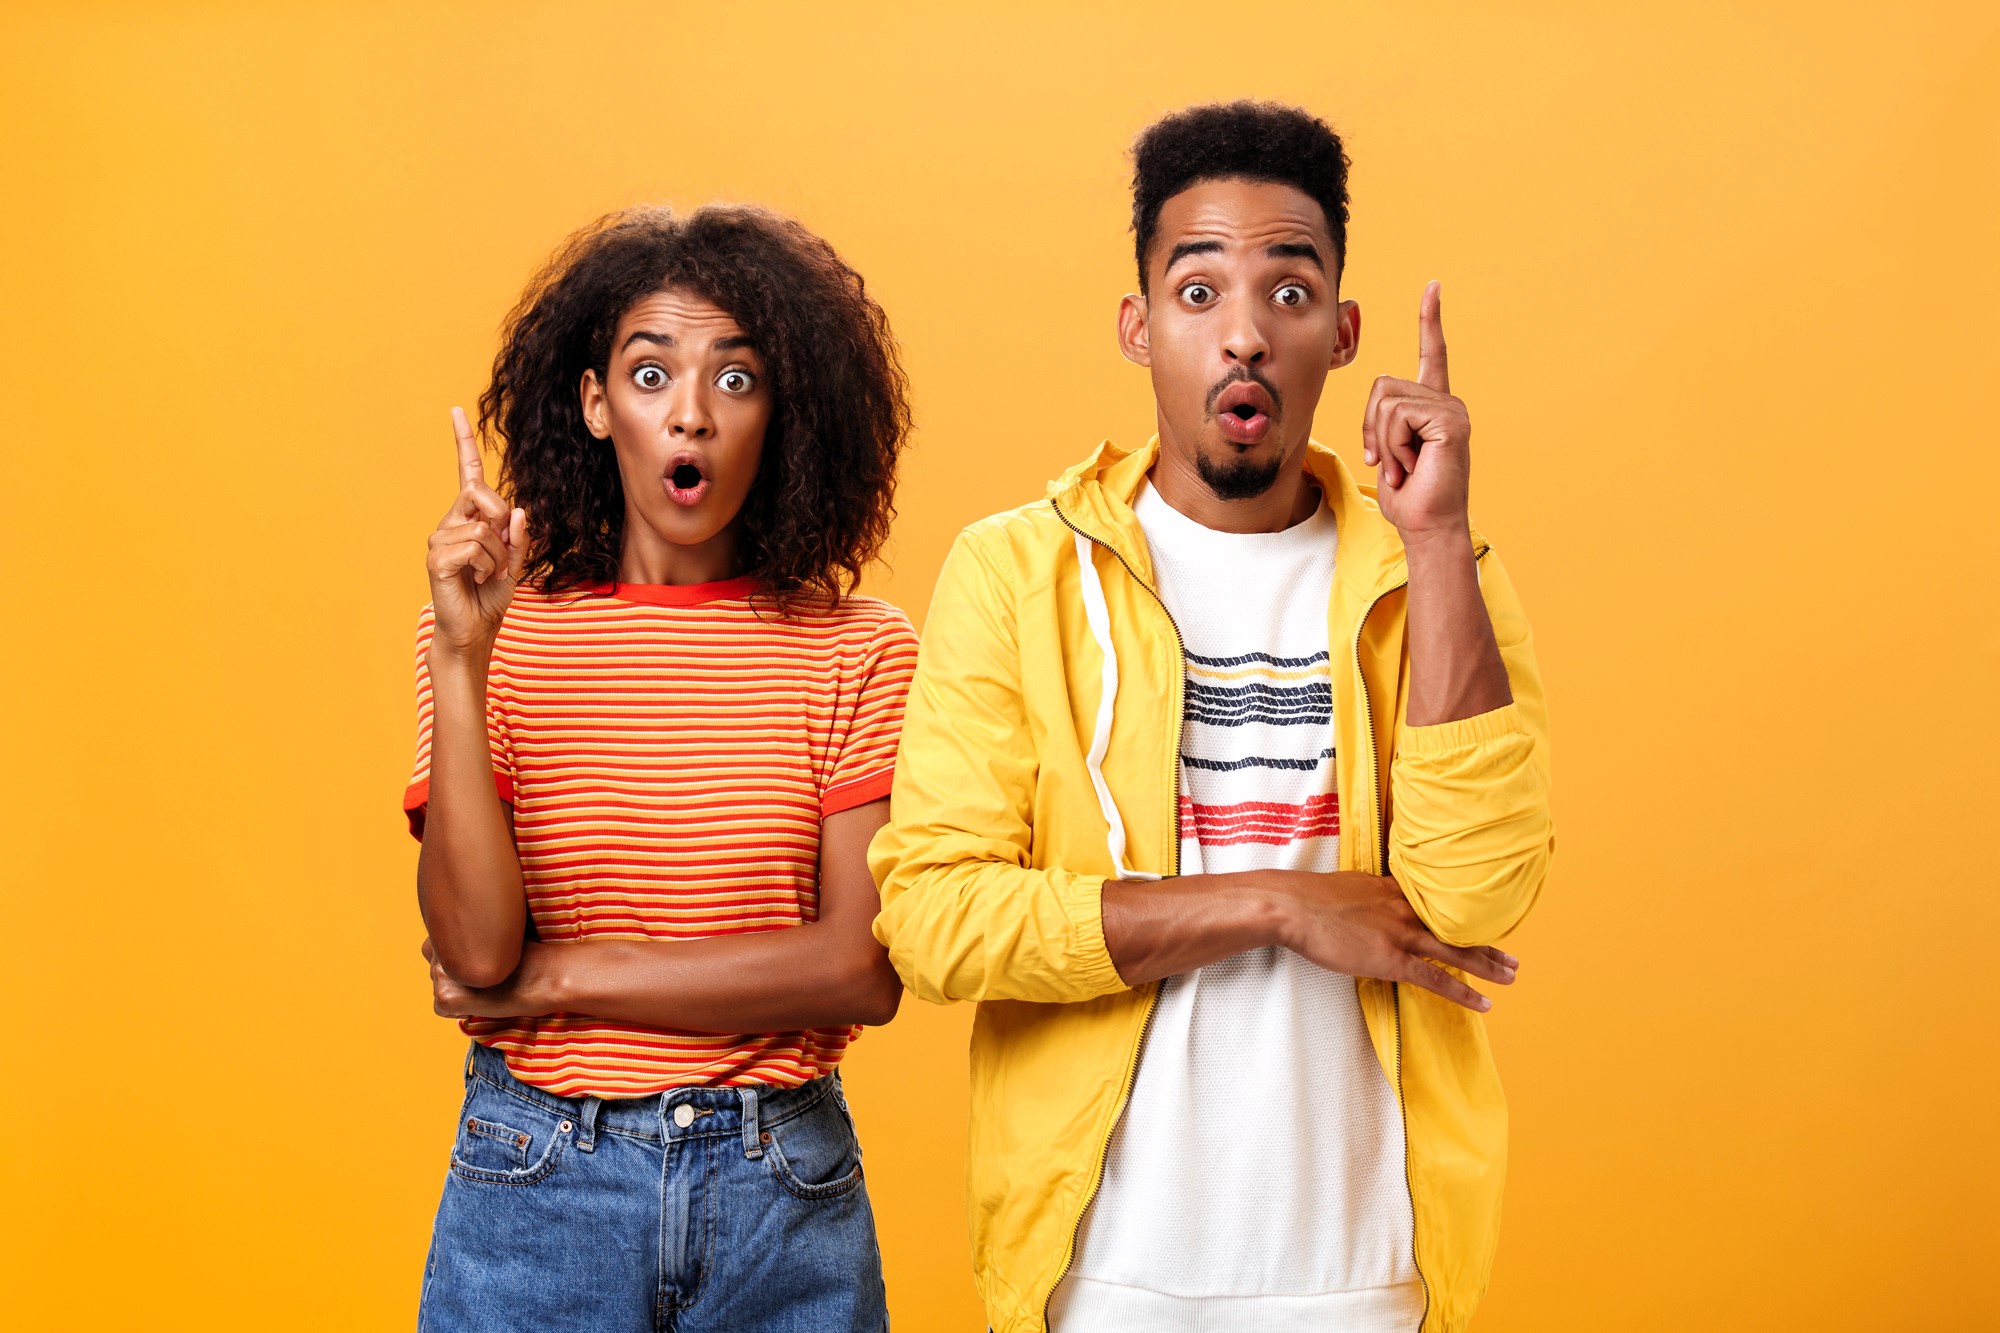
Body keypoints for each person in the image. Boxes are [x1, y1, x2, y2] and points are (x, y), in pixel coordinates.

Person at [869, 101, 1554, 1333]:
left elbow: (1475, 900)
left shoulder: (1429, 572)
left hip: (1369, 1272)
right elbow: (932, 917)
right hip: (1104, 1273)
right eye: (1197, 294)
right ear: (1137, 326)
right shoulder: (1015, 574)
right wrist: (1273, 904)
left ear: (1340, 334)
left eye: (1286, 295)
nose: (1242, 335)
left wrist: (1439, 537)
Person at [404, 204, 916, 1332]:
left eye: (736, 382)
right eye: (649, 374)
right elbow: (478, 949)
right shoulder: (503, 641)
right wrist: (459, 657)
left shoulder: (858, 647)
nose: (690, 413)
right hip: (539, 1175)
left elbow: (855, 969)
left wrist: (558, 979)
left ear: (782, 412)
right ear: (595, 404)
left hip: (780, 1183)